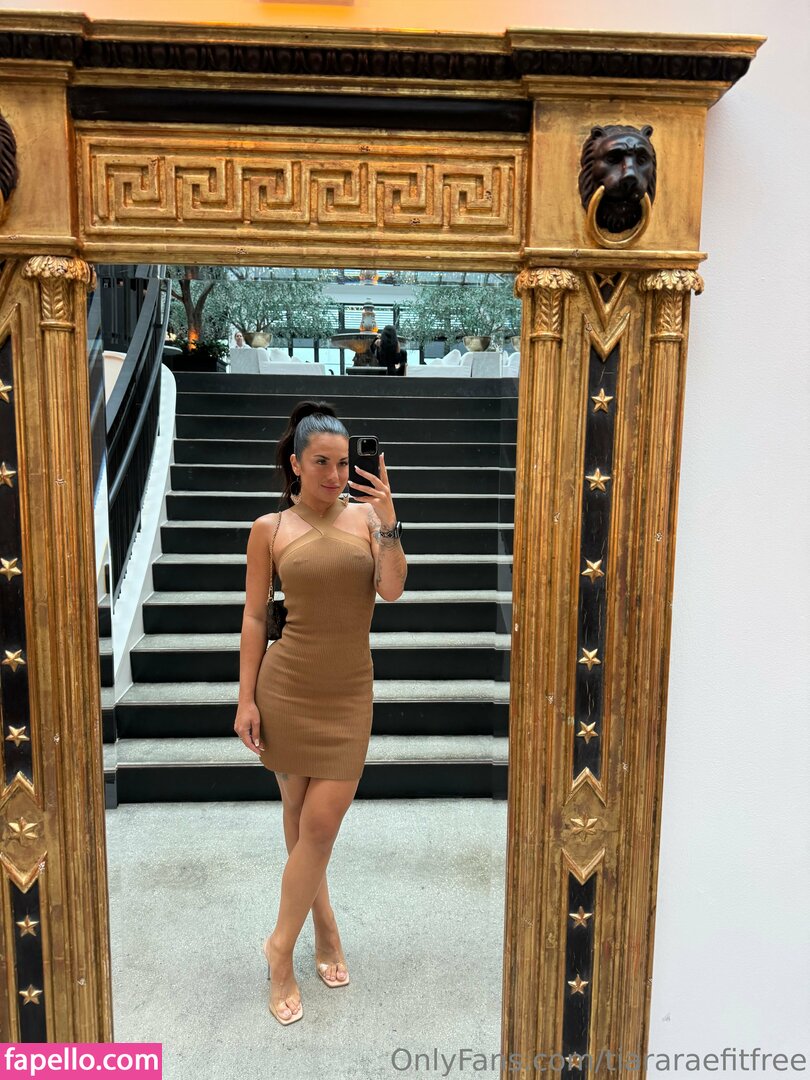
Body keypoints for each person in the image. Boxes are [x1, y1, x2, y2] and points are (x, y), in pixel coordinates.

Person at [234, 400, 407, 1025]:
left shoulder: (368, 519)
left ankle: (279, 947)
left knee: (321, 824)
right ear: (295, 464)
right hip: (287, 688)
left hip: (349, 692)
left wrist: (389, 521)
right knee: (301, 817)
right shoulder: (269, 528)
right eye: (321, 463)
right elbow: (255, 617)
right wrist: (246, 698)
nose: (335, 475)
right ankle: (325, 926)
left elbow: (392, 589)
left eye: (342, 463)